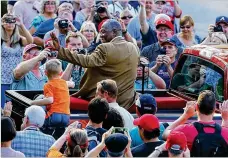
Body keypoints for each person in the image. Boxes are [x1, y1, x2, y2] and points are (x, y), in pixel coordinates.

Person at [49, 19, 139, 109]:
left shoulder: (105, 48)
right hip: (127, 100)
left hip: (104, 99)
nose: (101, 36)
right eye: (100, 32)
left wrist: (60, 49)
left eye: (103, 32)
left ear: (114, 32)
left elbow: (86, 61)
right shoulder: (134, 48)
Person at [163, 91, 228, 157]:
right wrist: (225, 119)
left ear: (196, 107)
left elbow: (165, 134)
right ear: (214, 109)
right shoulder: (225, 132)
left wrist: (185, 116)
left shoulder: (185, 130)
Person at [30, 59, 70, 136]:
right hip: (66, 116)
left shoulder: (48, 85)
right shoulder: (64, 83)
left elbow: (50, 100)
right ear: (61, 72)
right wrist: (71, 84)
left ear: (45, 73)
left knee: (41, 125)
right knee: (59, 133)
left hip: (54, 115)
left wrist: (33, 102)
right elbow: (71, 84)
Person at [1, 14, 33, 107]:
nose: (10, 23)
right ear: (2, 23)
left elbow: (30, 41)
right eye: (7, 21)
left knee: (17, 105)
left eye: (12, 21)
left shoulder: (19, 39)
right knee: (3, 105)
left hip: (17, 76)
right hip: (3, 77)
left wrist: (21, 25)